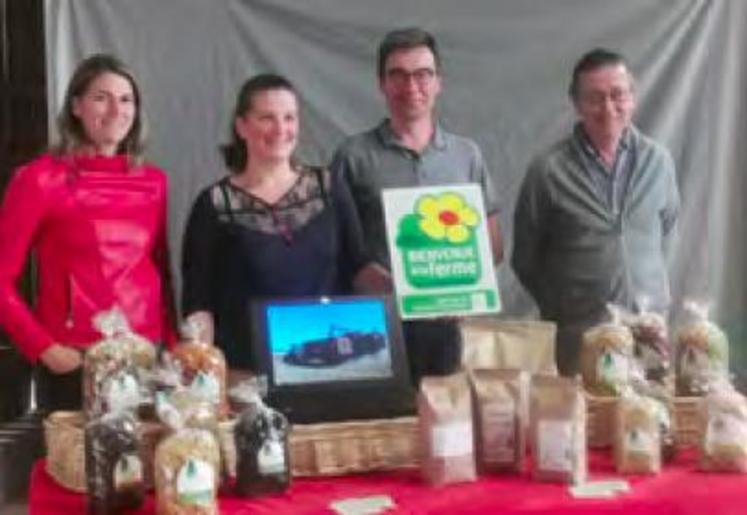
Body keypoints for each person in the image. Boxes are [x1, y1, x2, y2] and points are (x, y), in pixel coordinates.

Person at [0, 54, 176, 411]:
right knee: (77, 465)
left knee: (146, 464)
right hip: (75, 359)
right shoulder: (38, 180)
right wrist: (45, 349)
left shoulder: (154, 182)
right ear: (76, 106)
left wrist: (170, 346)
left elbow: (161, 275)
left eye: (126, 99)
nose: (116, 110)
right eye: (101, 98)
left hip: (146, 356)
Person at [330, 27, 503, 384]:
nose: (412, 87)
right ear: (382, 84)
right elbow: (335, 246)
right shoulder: (353, 156)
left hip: (448, 328)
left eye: (423, 75)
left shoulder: (465, 155)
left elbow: (494, 246)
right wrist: (365, 276)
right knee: (384, 428)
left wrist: (467, 287)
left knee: (446, 429)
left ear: (438, 82)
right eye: (398, 75)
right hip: (377, 326)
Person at [181, 74, 386, 371]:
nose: (280, 129)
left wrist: (411, 291)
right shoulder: (213, 205)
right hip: (245, 372)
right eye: (267, 118)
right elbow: (198, 302)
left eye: (289, 118)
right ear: (242, 127)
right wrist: (205, 374)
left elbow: (359, 266)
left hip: (330, 367)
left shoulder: (330, 187)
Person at [512, 48, 680, 376]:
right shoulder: (548, 171)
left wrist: (653, 301)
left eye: (618, 95)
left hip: (649, 337)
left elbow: (668, 235)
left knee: (648, 422)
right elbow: (525, 258)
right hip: (582, 342)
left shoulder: (658, 162)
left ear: (632, 97)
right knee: (588, 425)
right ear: (577, 104)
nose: (608, 108)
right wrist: (566, 307)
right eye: (595, 98)